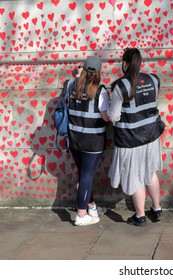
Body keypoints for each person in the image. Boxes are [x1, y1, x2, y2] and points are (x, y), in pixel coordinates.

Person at [108, 47, 165, 227]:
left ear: (124, 63)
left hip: (130, 139)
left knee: (134, 176)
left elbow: (114, 116)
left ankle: (139, 216)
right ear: (141, 64)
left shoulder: (120, 85)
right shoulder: (154, 79)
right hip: (151, 136)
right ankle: (157, 209)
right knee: (150, 172)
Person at [65, 56, 110, 226]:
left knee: (84, 175)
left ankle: (91, 206)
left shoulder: (70, 85)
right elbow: (105, 118)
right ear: (98, 73)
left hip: (74, 138)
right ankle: (81, 215)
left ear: (82, 69)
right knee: (86, 176)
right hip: (93, 141)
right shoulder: (100, 90)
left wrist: (77, 75)